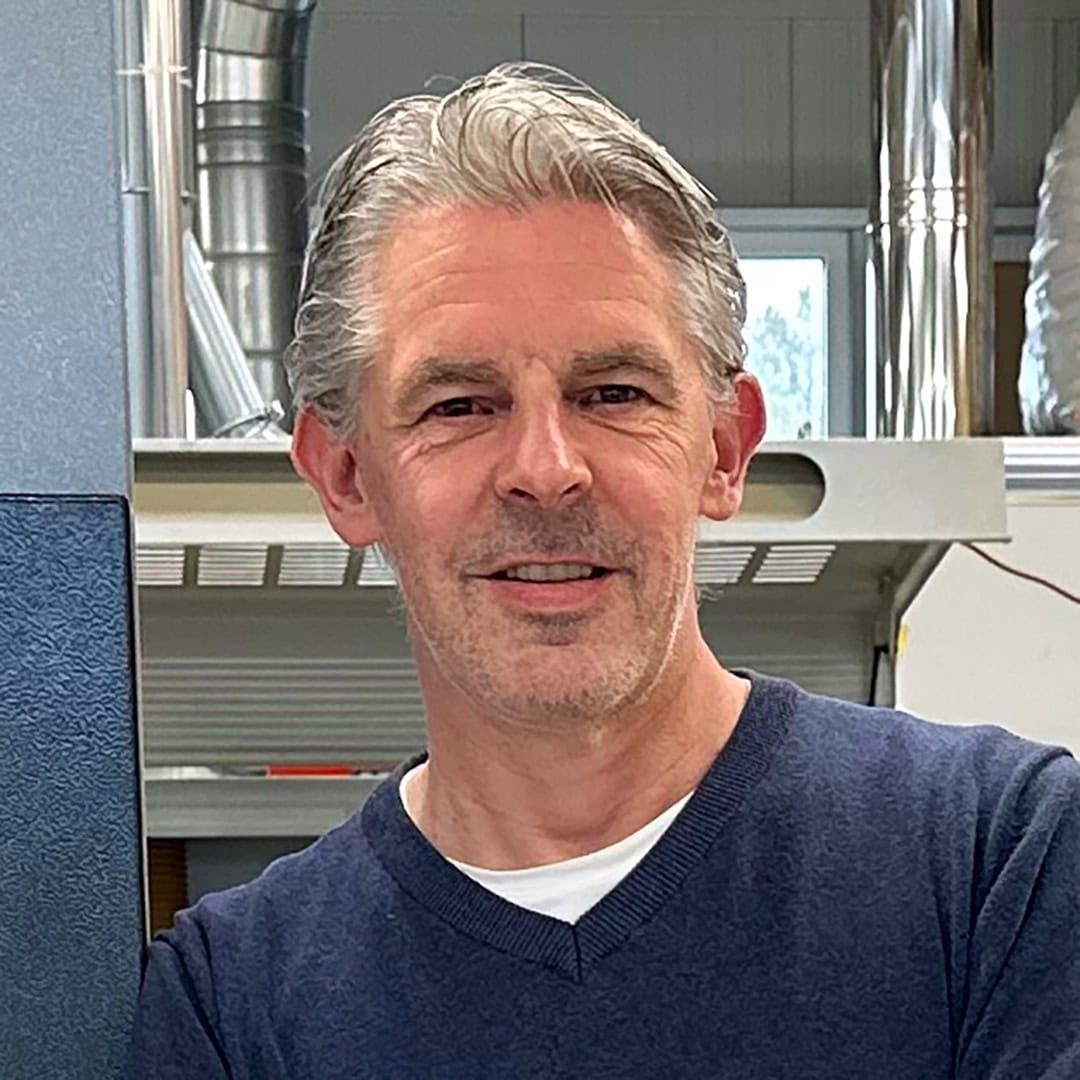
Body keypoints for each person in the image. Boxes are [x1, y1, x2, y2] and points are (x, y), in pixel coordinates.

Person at [127, 64, 1080, 1078]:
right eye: (459, 405)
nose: (546, 470)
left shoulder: (1000, 864)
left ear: (723, 450)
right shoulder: (234, 1007)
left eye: (614, 393)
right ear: (347, 476)